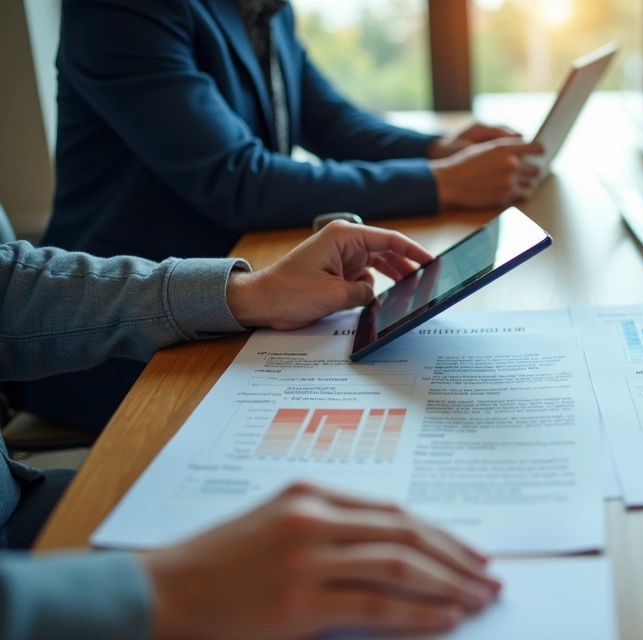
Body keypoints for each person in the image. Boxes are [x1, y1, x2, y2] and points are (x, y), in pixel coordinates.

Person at [28, 0, 543, 430]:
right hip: (123, 343)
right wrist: (446, 182)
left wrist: (438, 150)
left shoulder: (263, 6)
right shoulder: (120, 8)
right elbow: (239, 178)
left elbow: (330, 121)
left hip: (240, 296)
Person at [1, 213, 501, 638]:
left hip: (24, 502)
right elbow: (237, 175)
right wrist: (172, 589)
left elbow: (7, 284)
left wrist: (246, 292)